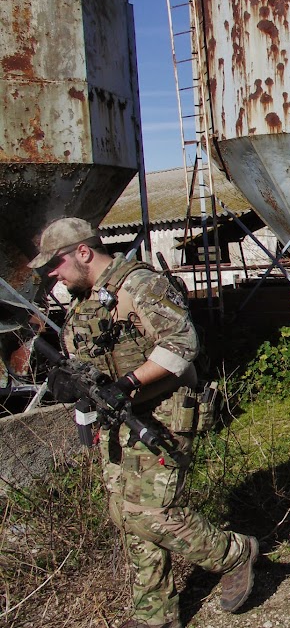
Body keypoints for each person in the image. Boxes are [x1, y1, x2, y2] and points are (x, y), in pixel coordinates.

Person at [28, 217, 258, 628]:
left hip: (163, 413)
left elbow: (183, 343)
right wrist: (68, 383)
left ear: (83, 253)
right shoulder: (86, 298)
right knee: (124, 512)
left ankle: (234, 553)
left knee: (151, 512)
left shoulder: (141, 285)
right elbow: (87, 358)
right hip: (115, 418)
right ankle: (155, 615)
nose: (54, 277)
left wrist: (129, 383)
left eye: (56, 266)